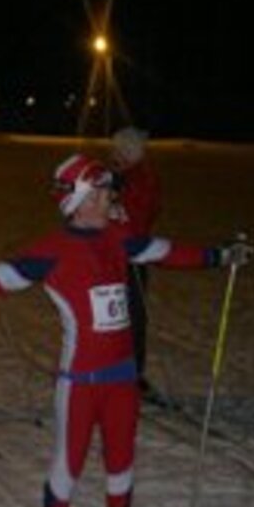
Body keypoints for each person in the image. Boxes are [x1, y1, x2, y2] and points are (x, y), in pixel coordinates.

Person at [0, 153, 253, 507]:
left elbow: (167, 251)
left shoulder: (119, 237)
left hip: (123, 377)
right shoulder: (52, 250)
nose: (109, 200)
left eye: (108, 192)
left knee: (123, 458)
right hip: (81, 381)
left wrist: (220, 255)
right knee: (70, 462)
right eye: (100, 193)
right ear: (77, 200)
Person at [109, 126, 161, 394]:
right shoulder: (122, 176)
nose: (113, 154)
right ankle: (119, 369)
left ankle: (132, 372)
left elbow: (138, 217)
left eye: (118, 150)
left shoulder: (139, 178)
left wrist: (117, 195)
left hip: (131, 255)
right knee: (113, 313)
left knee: (132, 315)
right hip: (115, 255)